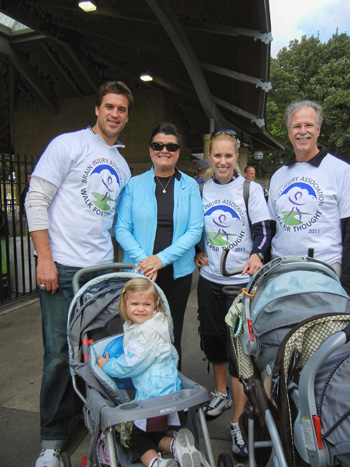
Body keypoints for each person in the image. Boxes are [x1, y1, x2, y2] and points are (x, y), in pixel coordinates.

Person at [25, 80, 134, 467]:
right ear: (97, 109)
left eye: (121, 109)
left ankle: (89, 420)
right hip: (62, 266)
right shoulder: (66, 145)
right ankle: (52, 441)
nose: (114, 114)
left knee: (94, 353)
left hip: (99, 270)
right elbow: (36, 197)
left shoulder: (121, 164)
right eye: (109, 106)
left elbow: (115, 223)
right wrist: (44, 257)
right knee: (58, 355)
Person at [194, 129, 271, 461]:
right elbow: (194, 226)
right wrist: (198, 249)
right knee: (212, 340)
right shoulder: (201, 189)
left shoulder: (249, 189)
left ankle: (238, 421)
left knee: (239, 349)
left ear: (236, 157)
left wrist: (258, 254)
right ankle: (221, 392)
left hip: (241, 284)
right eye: (217, 156)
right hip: (210, 280)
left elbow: (264, 228)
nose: (223, 161)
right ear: (210, 158)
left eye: (229, 156)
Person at [115, 122, 203, 367]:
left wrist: (160, 259)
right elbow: (122, 228)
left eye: (171, 146)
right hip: (142, 274)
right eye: (158, 145)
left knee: (170, 333)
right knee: (139, 334)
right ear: (150, 149)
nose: (164, 150)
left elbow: (195, 231)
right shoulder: (134, 184)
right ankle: (142, 390)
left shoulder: (190, 186)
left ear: (178, 150)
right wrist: (146, 261)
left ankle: (169, 388)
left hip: (178, 275)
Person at [98, 277, 202, 467]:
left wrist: (106, 365)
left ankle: (155, 463)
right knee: (154, 434)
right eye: (135, 304)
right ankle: (176, 445)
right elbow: (173, 354)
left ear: (155, 303)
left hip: (152, 394)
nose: (141, 309)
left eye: (146, 304)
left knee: (136, 437)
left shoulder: (143, 333)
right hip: (171, 389)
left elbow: (131, 365)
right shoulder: (159, 321)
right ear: (125, 304)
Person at [268, 100, 350, 294]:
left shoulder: (342, 171)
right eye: (296, 126)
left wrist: (346, 285)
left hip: (324, 274)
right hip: (281, 274)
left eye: (309, 125)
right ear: (289, 132)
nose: (302, 131)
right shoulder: (278, 176)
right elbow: (271, 228)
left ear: (318, 130)